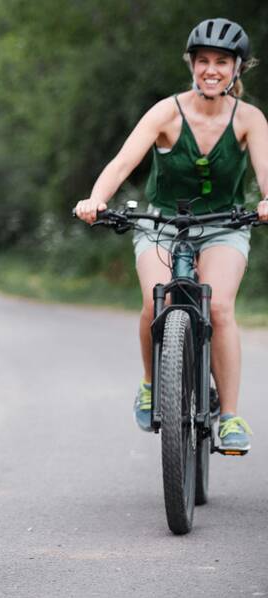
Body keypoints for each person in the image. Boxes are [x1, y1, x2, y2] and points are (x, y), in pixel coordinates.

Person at [74, 18, 268, 451]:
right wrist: (96, 199)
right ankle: (150, 384)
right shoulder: (167, 112)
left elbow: (266, 173)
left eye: (222, 62)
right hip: (161, 223)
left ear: (238, 68)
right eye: (203, 61)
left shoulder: (249, 119)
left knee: (218, 306)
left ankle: (232, 417)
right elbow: (123, 163)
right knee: (153, 299)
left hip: (223, 224)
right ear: (192, 65)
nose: (211, 70)